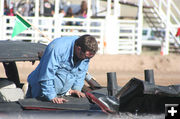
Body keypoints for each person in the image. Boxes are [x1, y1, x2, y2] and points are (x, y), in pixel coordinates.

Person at [26, 35, 98, 104]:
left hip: (61, 94)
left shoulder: (85, 55)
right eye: (86, 57)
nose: (86, 60)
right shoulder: (58, 48)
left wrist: (76, 89)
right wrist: (52, 96)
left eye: (89, 58)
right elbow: (47, 74)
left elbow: (81, 73)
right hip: (40, 91)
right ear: (79, 49)